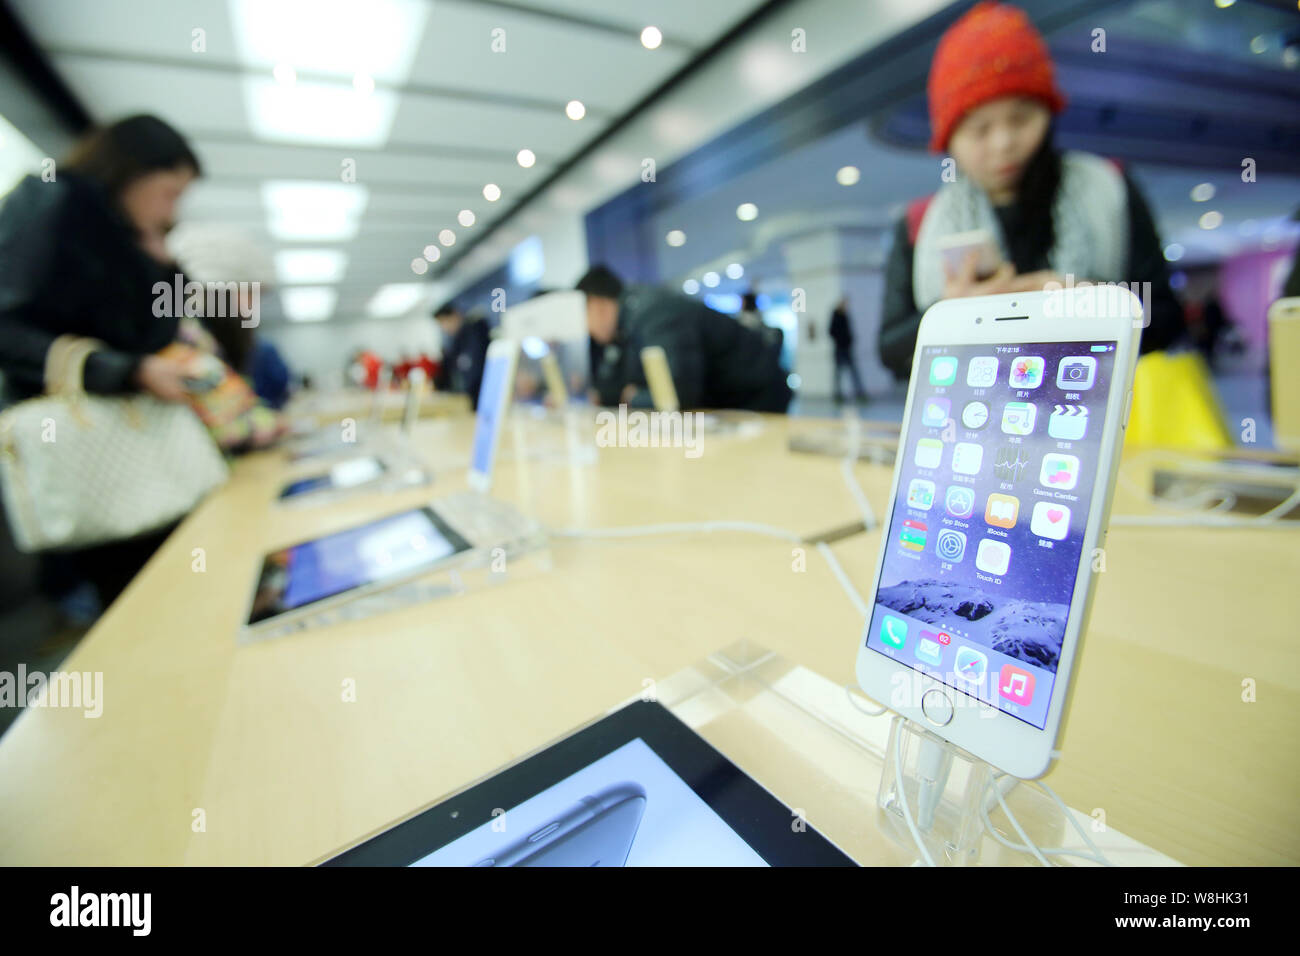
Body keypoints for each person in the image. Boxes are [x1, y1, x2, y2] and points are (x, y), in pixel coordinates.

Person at [878, 1, 1184, 381]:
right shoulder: (920, 223)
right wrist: (951, 312)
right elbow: (890, 349)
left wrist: (1087, 300)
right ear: (948, 139)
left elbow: (1166, 315)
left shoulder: (1109, 188)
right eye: (979, 129)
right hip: (974, 416)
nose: (1004, 143)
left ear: (1048, 112)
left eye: (1022, 118)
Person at [0, 114, 202, 610]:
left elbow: (158, 334)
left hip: (146, 451)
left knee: (179, 587)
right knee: (137, 597)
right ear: (132, 171)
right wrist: (123, 371)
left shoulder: (130, 239)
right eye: (171, 193)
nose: (173, 208)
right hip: (86, 440)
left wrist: (160, 262)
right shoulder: (51, 198)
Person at [577, 265, 791, 412]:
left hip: (757, 394)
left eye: (583, 315)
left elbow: (676, 395)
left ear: (597, 304)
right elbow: (622, 383)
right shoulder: (629, 324)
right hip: (731, 399)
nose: (586, 328)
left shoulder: (654, 314)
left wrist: (633, 397)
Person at [433, 302, 491, 409]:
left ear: (455, 315)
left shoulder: (475, 333)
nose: (444, 328)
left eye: (445, 321)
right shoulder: (456, 342)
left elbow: (475, 369)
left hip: (483, 395)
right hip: (470, 397)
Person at [829, 296, 867, 403]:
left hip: (847, 348)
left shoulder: (845, 315)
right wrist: (841, 339)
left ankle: (860, 393)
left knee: (854, 372)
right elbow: (831, 331)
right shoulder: (836, 315)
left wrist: (850, 340)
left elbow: (849, 330)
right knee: (838, 374)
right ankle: (838, 395)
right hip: (839, 349)